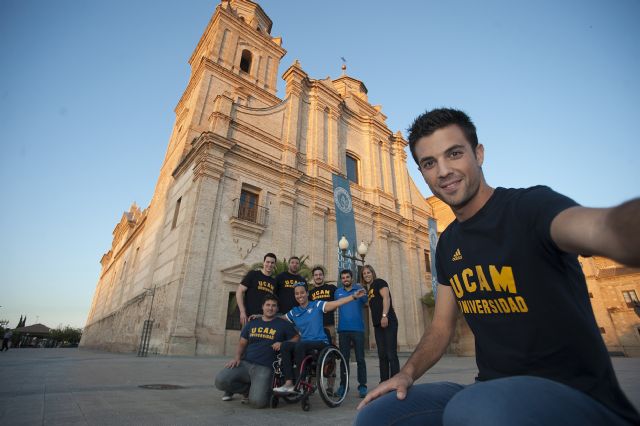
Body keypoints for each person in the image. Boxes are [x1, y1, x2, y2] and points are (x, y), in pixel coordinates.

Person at [356, 108, 640, 425]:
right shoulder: (447, 244)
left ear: (478, 154)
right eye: (429, 163)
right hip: (493, 390)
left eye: (454, 153)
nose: (444, 171)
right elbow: (440, 328)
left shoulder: (530, 208)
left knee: (475, 409)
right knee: (378, 414)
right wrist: (406, 374)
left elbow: (607, 227)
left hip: (577, 397)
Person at [273, 282, 366, 394]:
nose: (300, 295)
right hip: (304, 344)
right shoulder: (294, 312)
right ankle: (288, 383)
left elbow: (337, 303)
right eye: (297, 293)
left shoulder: (317, 305)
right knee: (285, 346)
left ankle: (299, 383)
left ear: (307, 293)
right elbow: (278, 318)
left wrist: (353, 296)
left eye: (302, 292)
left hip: (320, 343)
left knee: (300, 345)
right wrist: (260, 317)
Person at [215, 294, 298, 408]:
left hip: (265, 368)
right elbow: (242, 342)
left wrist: (283, 343)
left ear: (277, 309)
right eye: (268, 305)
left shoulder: (283, 324)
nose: (270, 308)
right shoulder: (253, 323)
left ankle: (259, 390)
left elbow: (296, 338)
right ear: (262, 307)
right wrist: (237, 358)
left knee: (258, 403)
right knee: (220, 381)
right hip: (245, 363)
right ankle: (247, 389)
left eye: (274, 306)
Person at [361, 264, 400, 383]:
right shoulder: (370, 289)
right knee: (382, 354)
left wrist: (384, 316)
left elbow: (386, 298)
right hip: (378, 325)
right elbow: (371, 304)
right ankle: (383, 382)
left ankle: (395, 381)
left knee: (391, 353)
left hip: (388, 321)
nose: (367, 275)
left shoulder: (379, 282)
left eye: (368, 272)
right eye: (364, 273)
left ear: (372, 273)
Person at [335, 269, 368, 398]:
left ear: (351, 278)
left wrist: (362, 290)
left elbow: (366, 302)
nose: (345, 279)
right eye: (343, 278)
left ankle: (363, 386)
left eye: (347, 277)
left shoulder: (359, 291)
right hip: (343, 330)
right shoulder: (338, 293)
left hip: (358, 330)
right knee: (344, 360)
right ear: (341, 280)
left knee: (360, 359)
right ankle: (344, 385)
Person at [236, 253, 276, 326]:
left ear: (274, 265)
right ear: (263, 262)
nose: (269, 264)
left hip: (265, 319)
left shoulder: (274, 282)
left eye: (272, 263)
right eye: (267, 262)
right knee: (245, 337)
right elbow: (239, 291)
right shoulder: (253, 274)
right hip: (249, 318)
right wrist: (242, 312)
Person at [308, 266, 337, 343]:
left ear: (323, 276)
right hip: (317, 325)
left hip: (330, 324)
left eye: (320, 274)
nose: (318, 277)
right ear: (313, 277)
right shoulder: (310, 293)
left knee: (332, 346)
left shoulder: (332, 288)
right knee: (318, 346)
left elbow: (341, 297)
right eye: (316, 275)